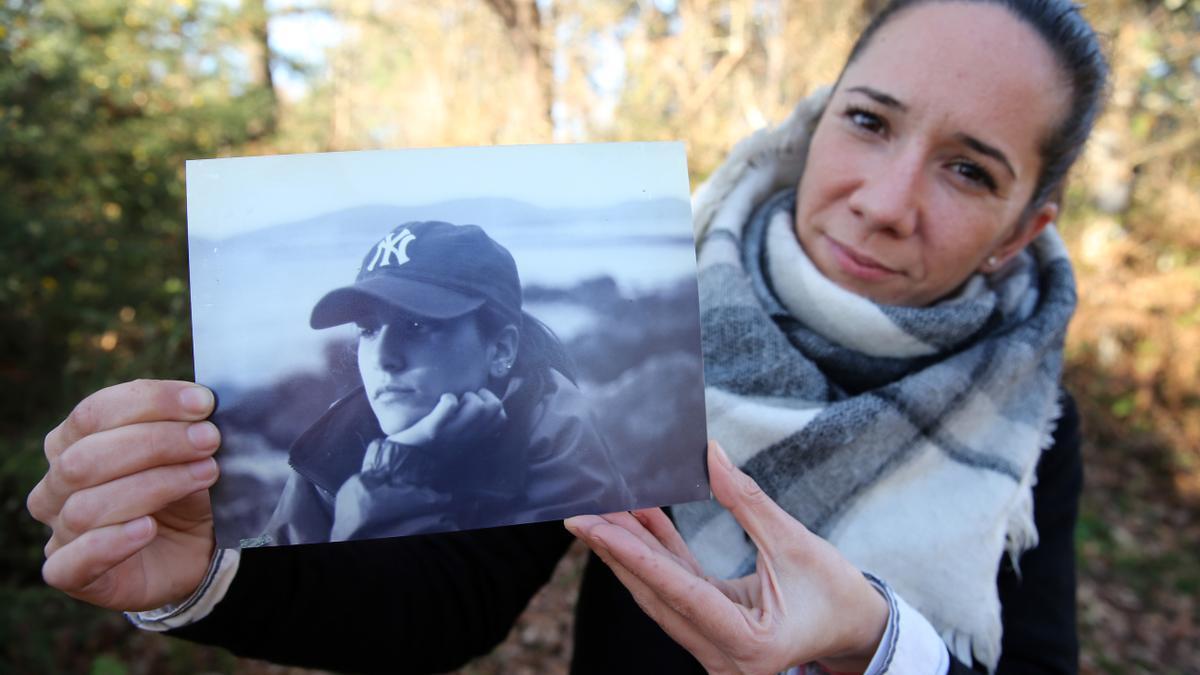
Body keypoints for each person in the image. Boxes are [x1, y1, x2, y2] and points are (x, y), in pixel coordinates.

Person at [25, 0, 1105, 672]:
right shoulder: (667, 314)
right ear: (819, 122)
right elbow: (453, 602)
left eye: (971, 169)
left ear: (1026, 226)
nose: (885, 198)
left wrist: (872, 646)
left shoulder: (1026, 420)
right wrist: (204, 572)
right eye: (869, 122)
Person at [256, 220, 632, 544]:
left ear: (500, 349)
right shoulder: (336, 440)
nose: (384, 358)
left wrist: (396, 472)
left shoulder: (559, 445)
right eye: (368, 330)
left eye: (417, 326)